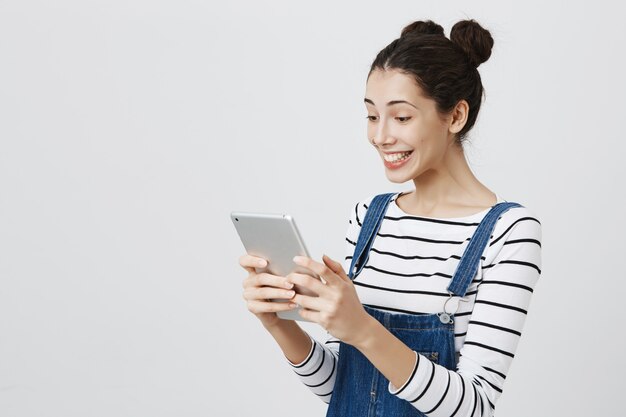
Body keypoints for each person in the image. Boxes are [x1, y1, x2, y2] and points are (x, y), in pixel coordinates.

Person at [239, 18, 542, 417]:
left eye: (401, 117)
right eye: (371, 116)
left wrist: (363, 329)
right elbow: (340, 385)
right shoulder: (369, 216)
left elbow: (474, 406)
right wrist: (279, 323)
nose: (380, 136)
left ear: (455, 116)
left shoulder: (509, 233)